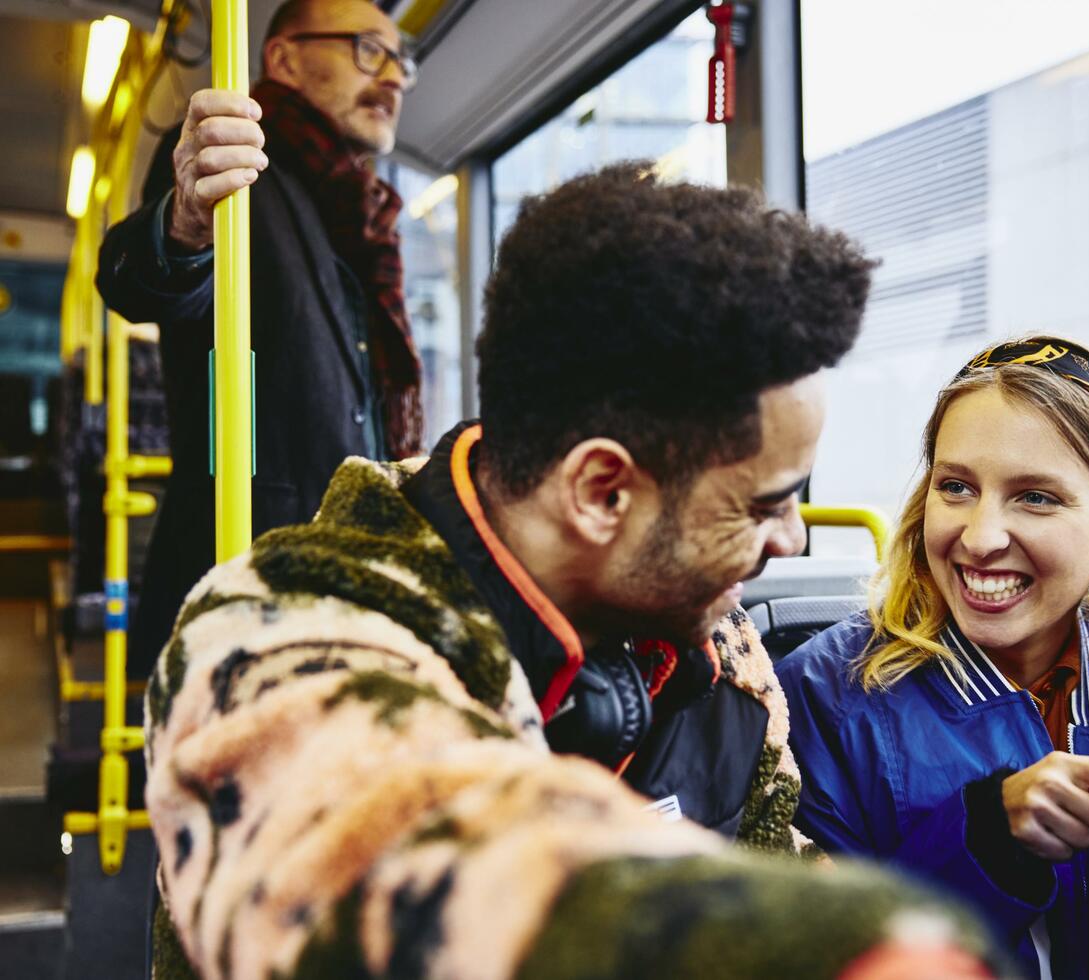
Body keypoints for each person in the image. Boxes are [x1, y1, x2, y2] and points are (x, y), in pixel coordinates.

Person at [142, 164, 1008, 979]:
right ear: (600, 491)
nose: (790, 538)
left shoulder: (725, 655)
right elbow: (392, 846)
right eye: (760, 505)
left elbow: (775, 853)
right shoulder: (272, 637)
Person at [777, 336, 1089, 979]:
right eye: (957, 487)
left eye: (1036, 497)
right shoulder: (821, 697)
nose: (980, 537)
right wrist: (986, 843)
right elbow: (817, 957)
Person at [96, 0, 422, 677]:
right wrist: (184, 221)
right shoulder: (233, 167)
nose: (392, 76)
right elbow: (137, 279)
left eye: (401, 59)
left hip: (346, 595)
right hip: (238, 587)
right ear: (282, 57)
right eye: (368, 49)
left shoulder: (357, 213)